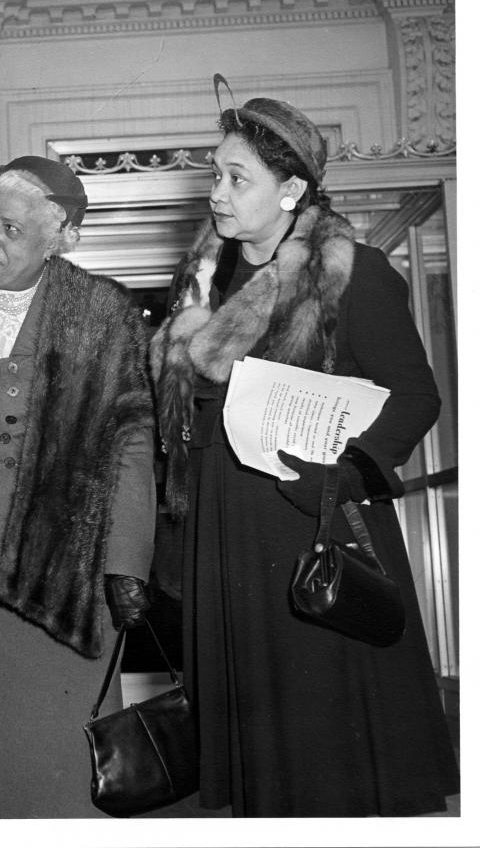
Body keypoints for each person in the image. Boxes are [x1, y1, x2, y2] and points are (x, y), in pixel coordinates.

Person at [150, 86, 459, 816]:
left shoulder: (352, 272)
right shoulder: (204, 280)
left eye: (236, 178)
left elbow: (417, 397)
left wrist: (344, 473)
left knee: (325, 755)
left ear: (290, 190)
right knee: (261, 765)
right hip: (226, 539)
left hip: (308, 524)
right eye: (214, 175)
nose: (217, 193)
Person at [0, 156, 156, 818]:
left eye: (12, 228)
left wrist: (126, 562)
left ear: (61, 236)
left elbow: (133, 438)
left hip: (69, 579)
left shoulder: (102, 311)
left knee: (67, 771)